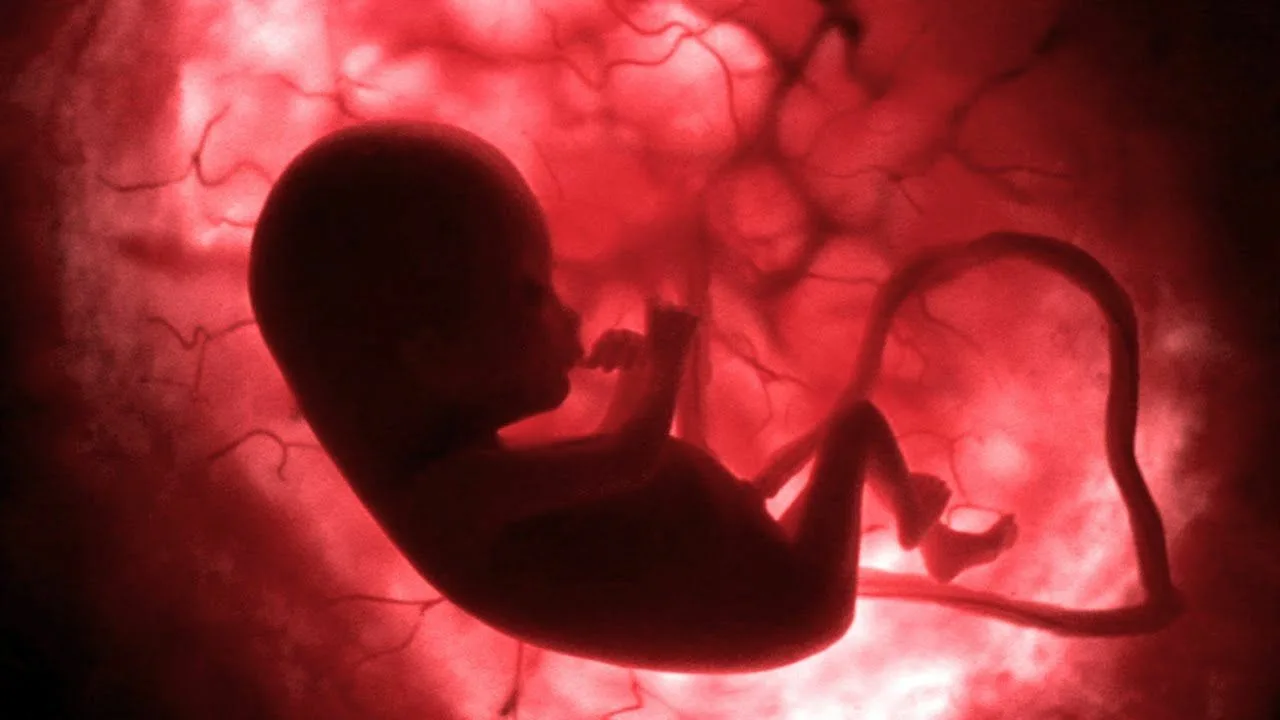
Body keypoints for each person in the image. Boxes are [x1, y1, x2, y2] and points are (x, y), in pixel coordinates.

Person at [248, 121, 1025, 673]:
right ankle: (921, 530)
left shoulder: (463, 482)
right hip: (786, 598)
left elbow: (604, 483)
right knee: (853, 424)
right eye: (532, 295)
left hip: (760, 567)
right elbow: (628, 463)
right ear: (436, 356)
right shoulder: (451, 501)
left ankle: (931, 535)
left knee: (836, 440)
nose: (568, 315)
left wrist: (637, 383)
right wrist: (669, 360)